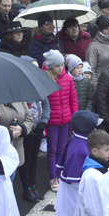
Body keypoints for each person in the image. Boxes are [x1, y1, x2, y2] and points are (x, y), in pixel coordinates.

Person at [54, 111, 100, 216]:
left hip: (75, 195)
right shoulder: (81, 148)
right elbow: (75, 180)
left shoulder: (78, 140)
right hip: (77, 197)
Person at [43, 50, 78, 192]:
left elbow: (73, 100)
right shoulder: (45, 79)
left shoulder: (68, 79)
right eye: (57, 65)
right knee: (52, 149)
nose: (60, 68)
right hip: (52, 121)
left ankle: (61, 173)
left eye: (62, 65)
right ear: (51, 66)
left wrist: (74, 118)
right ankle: (53, 176)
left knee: (62, 148)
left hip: (65, 119)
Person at [86, 15, 109, 90]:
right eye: (106, 29)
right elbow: (91, 69)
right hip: (102, 84)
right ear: (100, 30)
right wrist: (96, 88)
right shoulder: (93, 46)